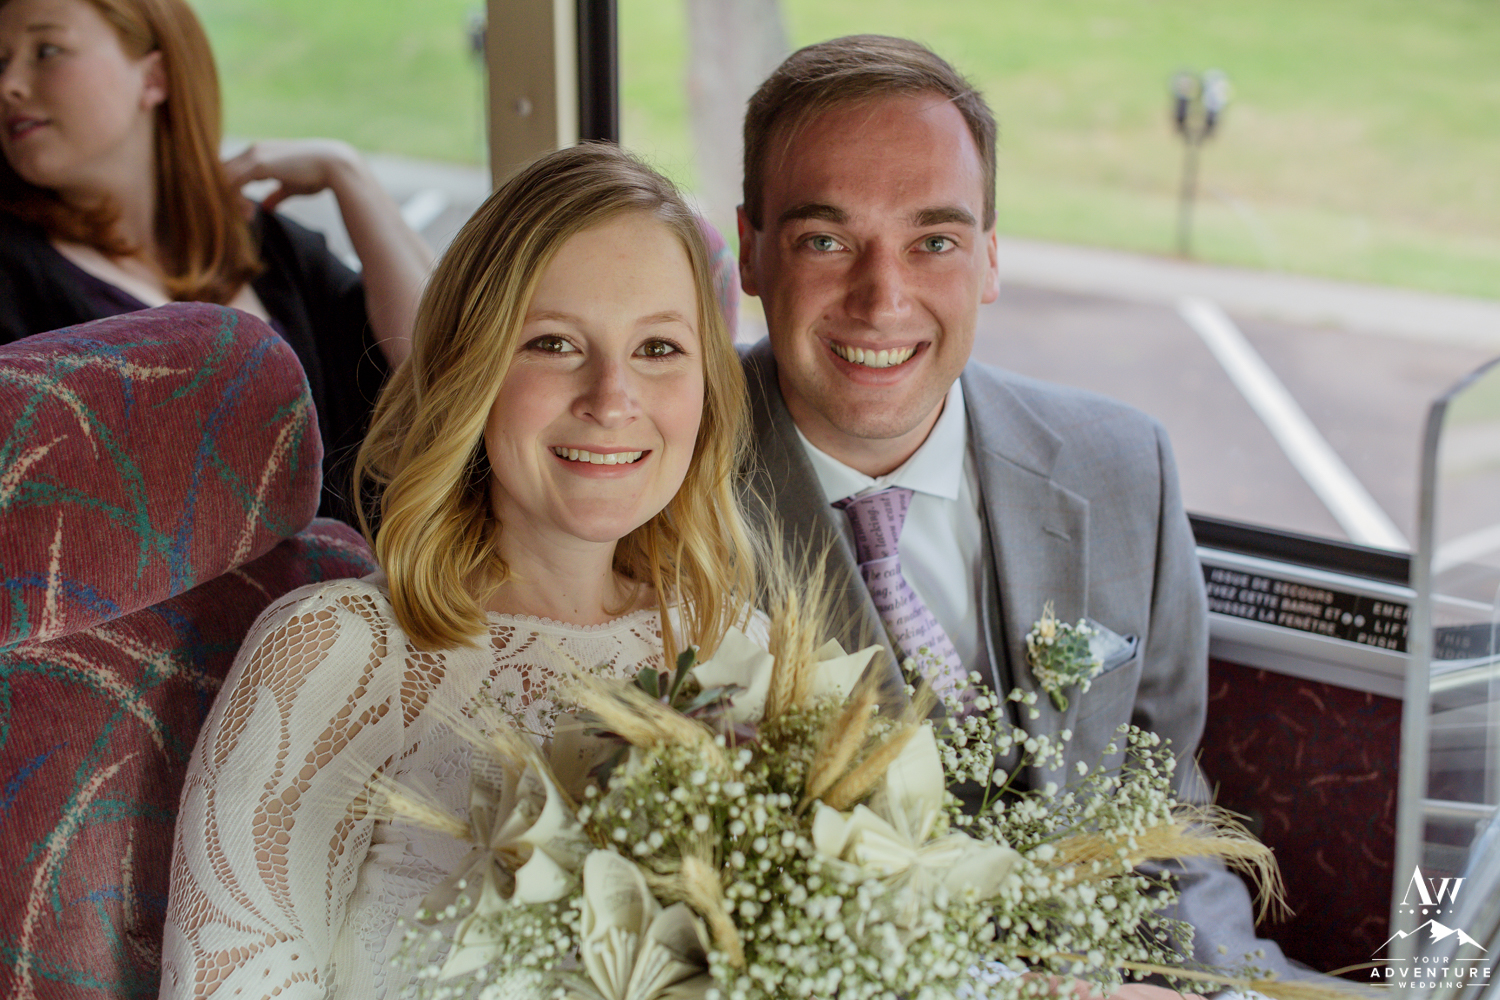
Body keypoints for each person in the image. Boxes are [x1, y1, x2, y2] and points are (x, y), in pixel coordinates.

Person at [735, 35, 1301, 989]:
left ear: (990, 259)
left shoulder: (1123, 467)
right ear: (752, 251)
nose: (882, 299)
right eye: (824, 241)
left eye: (934, 242)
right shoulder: (660, 497)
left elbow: (1162, 823)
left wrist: (1229, 988)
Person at [159, 143, 760, 998]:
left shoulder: (747, 652)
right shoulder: (336, 661)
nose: (611, 398)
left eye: (659, 348)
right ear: (469, 371)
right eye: (553, 343)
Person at [0, 0, 432, 523]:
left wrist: (347, 174)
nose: (9, 85)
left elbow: (441, 370)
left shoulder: (264, 242)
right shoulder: (13, 277)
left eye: (47, 51)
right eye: (0, 62)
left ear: (155, 77)